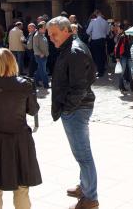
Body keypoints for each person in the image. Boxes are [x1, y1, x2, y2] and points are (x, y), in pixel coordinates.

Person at [0, 49, 42, 209]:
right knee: (22, 187)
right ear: (13, 63)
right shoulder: (24, 84)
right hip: (20, 140)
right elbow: (33, 110)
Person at [47, 16, 99, 209]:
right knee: (80, 154)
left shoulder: (75, 50)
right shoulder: (70, 47)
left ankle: (91, 198)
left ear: (66, 30)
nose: (51, 39)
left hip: (76, 109)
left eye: (54, 34)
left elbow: (81, 86)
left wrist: (67, 109)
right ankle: (85, 187)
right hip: (75, 108)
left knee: (83, 155)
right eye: (50, 35)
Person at [86, 10, 110, 77]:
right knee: (102, 55)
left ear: (96, 14)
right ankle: (102, 68)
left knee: (97, 56)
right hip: (103, 40)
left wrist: (92, 33)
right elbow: (107, 32)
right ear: (101, 14)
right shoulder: (105, 22)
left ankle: (100, 71)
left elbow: (87, 31)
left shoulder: (93, 21)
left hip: (95, 41)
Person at [113, 24, 131, 92]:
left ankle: (132, 86)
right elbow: (117, 47)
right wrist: (117, 57)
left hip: (128, 56)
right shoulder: (122, 37)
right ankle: (121, 86)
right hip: (123, 56)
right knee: (122, 72)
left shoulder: (130, 36)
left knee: (130, 72)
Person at [33, 22, 50, 89]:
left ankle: (35, 81)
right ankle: (46, 84)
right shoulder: (36, 36)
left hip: (44, 55)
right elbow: (35, 47)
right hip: (40, 56)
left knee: (40, 69)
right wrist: (41, 54)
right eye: (44, 27)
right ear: (40, 28)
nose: (45, 28)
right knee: (43, 70)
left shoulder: (42, 34)